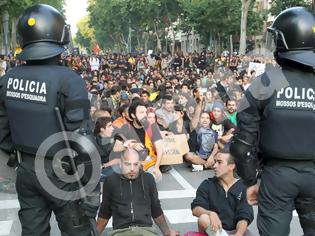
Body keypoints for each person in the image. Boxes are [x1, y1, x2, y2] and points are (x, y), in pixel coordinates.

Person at [0, 4, 97, 235]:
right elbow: (82, 140)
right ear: (60, 35)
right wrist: (91, 185)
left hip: (25, 169)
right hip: (62, 171)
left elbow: (2, 131)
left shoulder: (8, 79)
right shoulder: (69, 80)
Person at [230, 7, 315, 236]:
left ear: (282, 41)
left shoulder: (266, 83)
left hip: (277, 177)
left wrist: (250, 181)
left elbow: (241, 145)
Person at [96, 149, 178, 236]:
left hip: (146, 231)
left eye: (135, 164)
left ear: (140, 163)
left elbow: (156, 209)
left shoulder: (148, 179)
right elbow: (104, 213)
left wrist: (167, 232)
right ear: (120, 164)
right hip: (120, 232)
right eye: (127, 164)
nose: (132, 169)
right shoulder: (110, 181)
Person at [191, 149, 254, 236]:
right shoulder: (207, 184)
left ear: (231, 166)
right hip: (215, 230)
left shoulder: (243, 187)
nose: (214, 166)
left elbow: (244, 215)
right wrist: (210, 213)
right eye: (215, 162)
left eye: (219, 162)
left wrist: (238, 234)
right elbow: (195, 208)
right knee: (203, 218)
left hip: (235, 231)